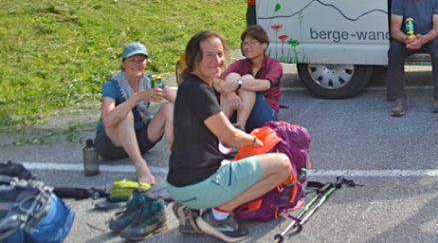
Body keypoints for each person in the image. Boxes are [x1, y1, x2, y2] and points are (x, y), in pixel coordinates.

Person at [167, 31, 291, 242]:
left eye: (220, 54)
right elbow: (230, 136)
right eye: (209, 55)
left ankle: (193, 208)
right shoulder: (199, 91)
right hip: (200, 184)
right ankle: (220, 214)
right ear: (194, 59)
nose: (217, 60)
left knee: (239, 160)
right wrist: (254, 140)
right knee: (283, 165)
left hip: (178, 183)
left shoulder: (190, 86)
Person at [95, 42, 176, 185]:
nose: (137, 64)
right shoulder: (112, 84)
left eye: (141, 60)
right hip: (112, 145)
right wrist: (137, 97)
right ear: (124, 63)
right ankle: (140, 165)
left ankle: (176, 153)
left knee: (170, 107)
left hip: (140, 140)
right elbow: (107, 120)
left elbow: (179, 101)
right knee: (126, 114)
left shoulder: (150, 81)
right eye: (132, 60)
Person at [386, 0, 438, 117]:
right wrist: (406, 39)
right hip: (408, 38)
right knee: (394, 49)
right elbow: (394, 29)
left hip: (430, 36)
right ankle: (398, 98)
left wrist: (423, 39)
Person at [221, 25, 284, 131]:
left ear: (264, 45)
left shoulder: (274, 65)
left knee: (247, 81)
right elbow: (217, 81)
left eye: (252, 43)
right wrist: (230, 93)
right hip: (239, 109)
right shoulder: (240, 64)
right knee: (232, 76)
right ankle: (221, 129)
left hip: (264, 114)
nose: (247, 47)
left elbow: (266, 84)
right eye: (245, 43)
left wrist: (239, 83)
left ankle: (239, 130)